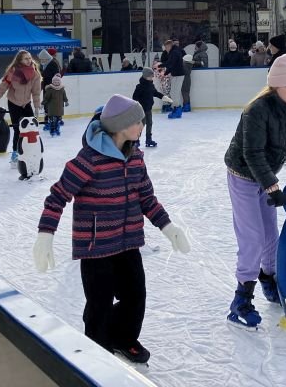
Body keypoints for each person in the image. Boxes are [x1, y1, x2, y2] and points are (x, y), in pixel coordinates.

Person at [32, 94, 190, 365]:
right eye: (138, 121)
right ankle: (97, 350)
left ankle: (123, 337)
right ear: (120, 126)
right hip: (96, 247)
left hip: (128, 243)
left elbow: (146, 198)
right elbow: (58, 195)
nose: (142, 125)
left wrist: (168, 227)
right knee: (100, 304)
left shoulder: (136, 157)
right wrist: (45, 234)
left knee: (135, 297)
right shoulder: (90, 159)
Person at [222, 54, 286, 328]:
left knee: (270, 236)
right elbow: (252, 153)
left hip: (266, 179)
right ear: (276, 84)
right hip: (243, 176)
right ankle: (241, 298)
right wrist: (272, 186)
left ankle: (268, 279)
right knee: (252, 238)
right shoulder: (256, 109)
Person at [0, 50, 43, 163]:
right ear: (20, 60)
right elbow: (2, 88)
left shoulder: (35, 74)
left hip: (26, 103)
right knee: (18, 129)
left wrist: (36, 107)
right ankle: (15, 153)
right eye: (26, 58)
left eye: (29, 58)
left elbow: (36, 92)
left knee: (31, 128)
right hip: (13, 103)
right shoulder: (12, 72)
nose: (29, 60)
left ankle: (30, 151)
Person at [133, 67, 168, 148]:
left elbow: (155, 93)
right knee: (141, 125)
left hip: (149, 109)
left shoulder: (151, 85)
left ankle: (148, 140)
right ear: (146, 76)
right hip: (141, 110)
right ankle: (136, 140)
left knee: (150, 124)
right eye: (151, 76)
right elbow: (134, 98)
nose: (152, 77)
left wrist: (163, 97)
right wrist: (137, 107)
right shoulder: (139, 86)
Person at [163, 39, 186, 119]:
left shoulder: (175, 52)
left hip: (178, 75)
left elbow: (171, 63)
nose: (165, 49)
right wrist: (166, 73)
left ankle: (177, 109)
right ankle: (176, 109)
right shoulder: (173, 52)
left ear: (169, 46)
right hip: (176, 74)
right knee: (173, 92)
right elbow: (172, 65)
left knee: (175, 93)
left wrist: (162, 65)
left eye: (166, 47)